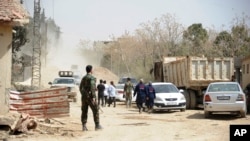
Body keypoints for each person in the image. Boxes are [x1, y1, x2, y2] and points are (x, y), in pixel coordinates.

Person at [79, 65, 102, 131]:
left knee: (84, 111)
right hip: (90, 97)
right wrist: (94, 96)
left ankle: (84, 126)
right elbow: (92, 87)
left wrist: (83, 94)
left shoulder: (83, 78)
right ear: (91, 70)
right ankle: (97, 125)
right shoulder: (92, 78)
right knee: (96, 109)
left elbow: (80, 87)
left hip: (84, 97)